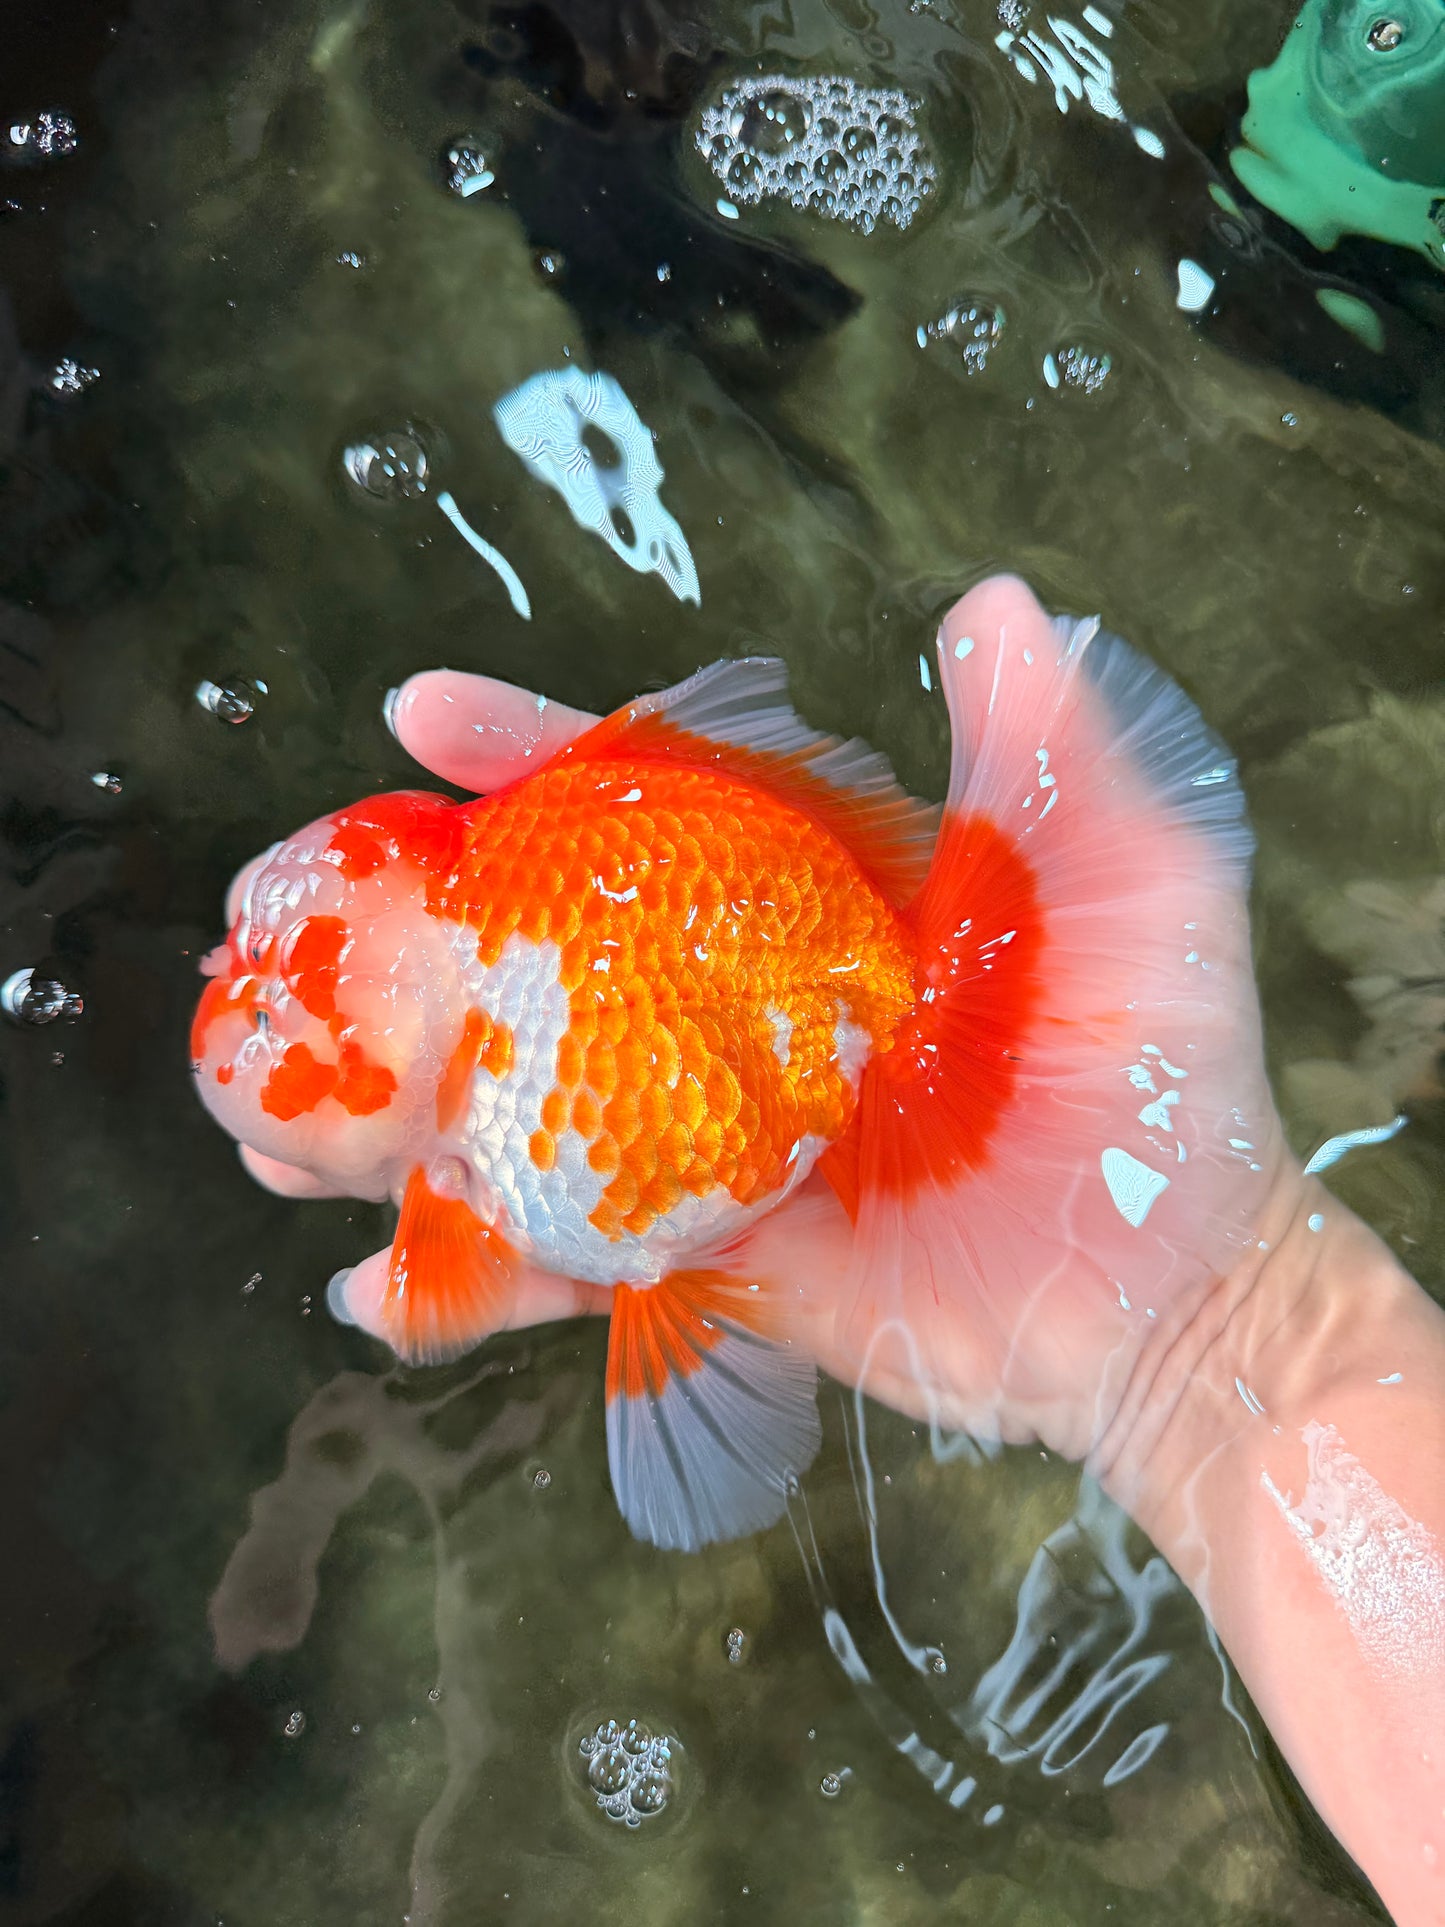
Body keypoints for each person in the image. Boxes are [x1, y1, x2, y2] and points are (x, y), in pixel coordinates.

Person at [240, 660, 1445, 1926]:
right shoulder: (450, 1057)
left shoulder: (464, 1088)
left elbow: (443, 1274)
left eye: (271, 1004)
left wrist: (1215, 1323)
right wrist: (1225, 1325)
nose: (252, 992)